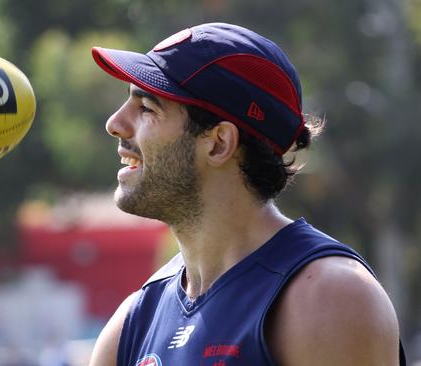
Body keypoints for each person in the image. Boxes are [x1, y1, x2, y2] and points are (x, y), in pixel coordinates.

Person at [89, 23, 406, 366]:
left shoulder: (329, 297)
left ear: (219, 143)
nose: (115, 123)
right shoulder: (131, 326)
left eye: (148, 107)